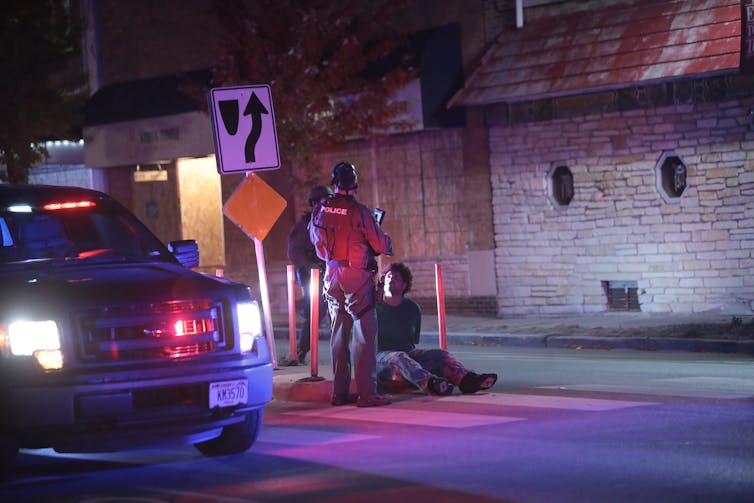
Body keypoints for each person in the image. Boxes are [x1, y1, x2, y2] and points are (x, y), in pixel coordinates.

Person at [309, 161, 394, 407]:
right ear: (354, 185)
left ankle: (340, 392)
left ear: (334, 184)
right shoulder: (360, 212)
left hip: (332, 275)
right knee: (364, 335)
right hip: (357, 277)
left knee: (338, 334)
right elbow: (381, 245)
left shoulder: (320, 210)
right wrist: (380, 233)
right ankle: (367, 394)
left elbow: (315, 239)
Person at [376, 262, 498, 395]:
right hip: (381, 358)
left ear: (404, 285)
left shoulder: (412, 309)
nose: (391, 279)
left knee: (440, 355)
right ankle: (430, 383)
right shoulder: (375, 307)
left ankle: (467, 380)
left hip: (407, 355)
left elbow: (412, 341)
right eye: (388, 276)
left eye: (397, 278)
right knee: (398, 357)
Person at [286, 185, 332, 364]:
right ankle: (301, 350)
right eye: (323, 201)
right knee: (315, 312)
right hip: (313, 277)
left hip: (332, 274)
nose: (327, 204)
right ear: (313, 203)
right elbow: (295, 252)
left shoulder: (332, 222)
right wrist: (311, 266)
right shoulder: (305, 225)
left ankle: (348, 355)